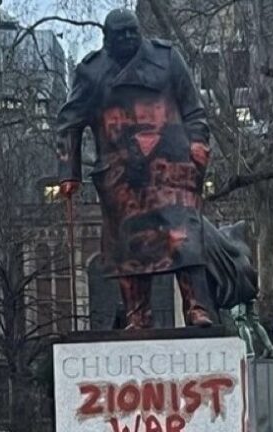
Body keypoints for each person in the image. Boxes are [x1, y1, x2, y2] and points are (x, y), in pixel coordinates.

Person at [55, 8, 216, 329]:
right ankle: (136, 315)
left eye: (133, 31)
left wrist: (198, 146)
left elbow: (193, 110)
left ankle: (197, 307)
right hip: (120, 174)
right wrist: (68, 172)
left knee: (183, 237)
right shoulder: (91, 71)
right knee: (129, 245)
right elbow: (69, 122)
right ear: (106, 38)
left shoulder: (168, 59)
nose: (128, 38)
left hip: (171, 168)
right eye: (121, 34)